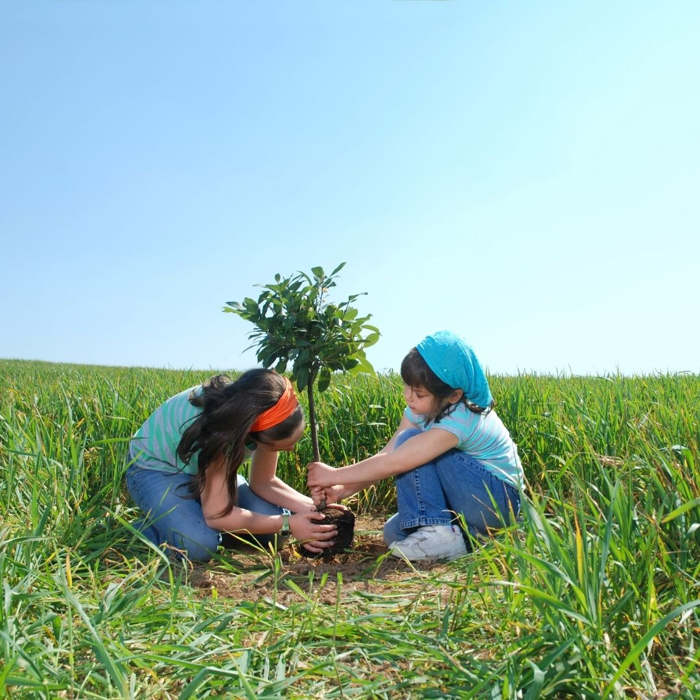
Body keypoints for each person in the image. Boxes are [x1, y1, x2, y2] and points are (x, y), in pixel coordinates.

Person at [307, 331, 523, 562]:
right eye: (407, 387)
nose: (409, 397)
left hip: (496, 501)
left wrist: (333, 475)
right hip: (464, 500)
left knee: (411, 443)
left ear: (453, 395)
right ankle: (468, 539)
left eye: (419, 393)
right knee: (395, 533)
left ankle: (442, 533)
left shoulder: (462, 417)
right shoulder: (421, 410)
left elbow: (398, 460)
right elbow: (389, 454)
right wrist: (342, 488)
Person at [126, 369, 337, 562]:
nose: (291, 450)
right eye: (282, 446)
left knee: (272, 534)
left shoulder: (266, 409)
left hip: (207, 474)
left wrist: (315, 509)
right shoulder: (223, 432)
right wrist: (288, 523)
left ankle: (194, 515)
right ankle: (147, 530)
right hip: (156, 471)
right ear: (254, 434)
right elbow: (218, 515)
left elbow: (265, 483)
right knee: (199, 546)